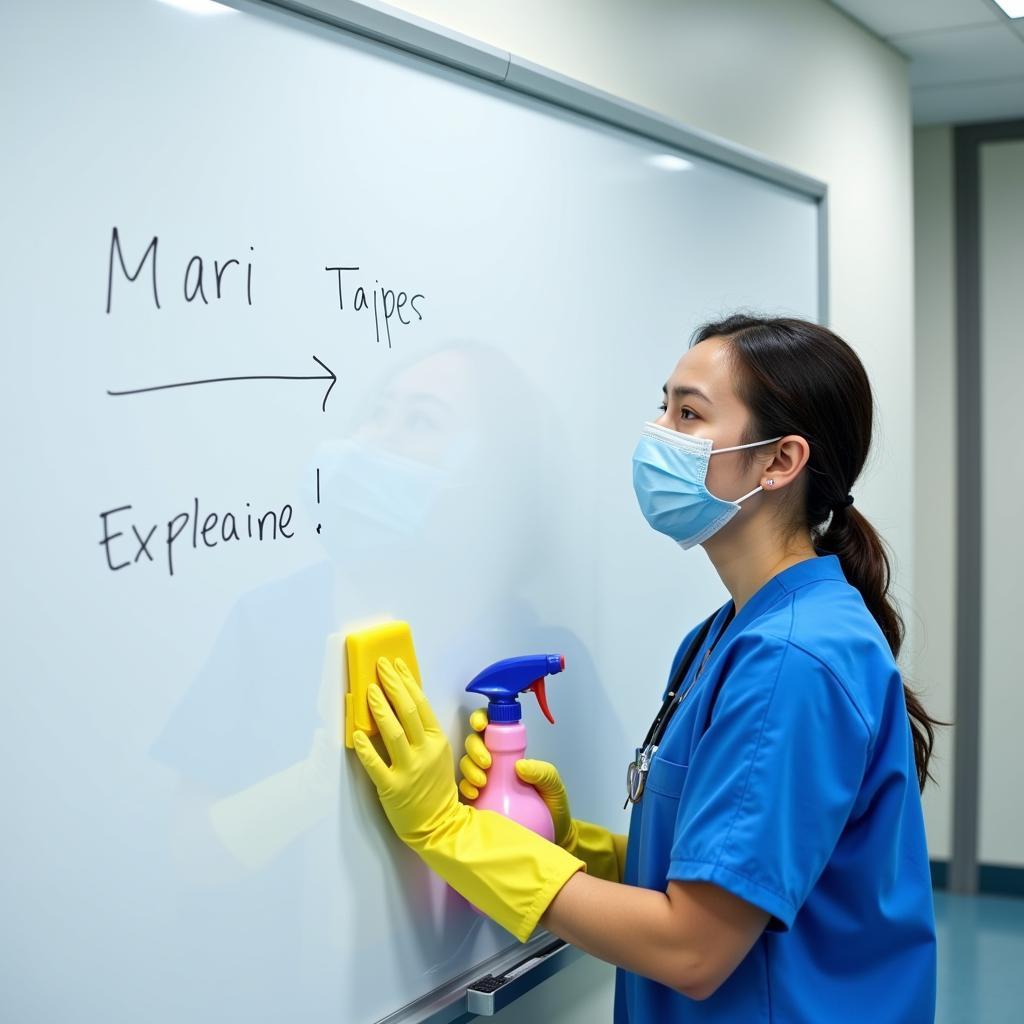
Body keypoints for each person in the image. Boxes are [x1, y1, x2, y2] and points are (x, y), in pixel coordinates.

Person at [352, 313, 943, 1023]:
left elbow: (693, 949)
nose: (657, 433)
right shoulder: (725, 634)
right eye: (663, 405)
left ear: (779, 461)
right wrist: (584, 852)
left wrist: (448, 829)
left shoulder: (790, 659)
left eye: (688, 413)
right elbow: (722, 871)